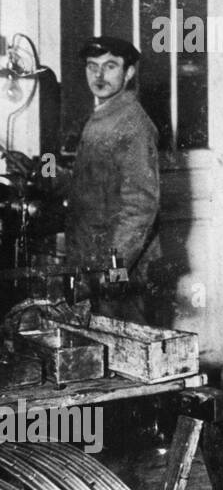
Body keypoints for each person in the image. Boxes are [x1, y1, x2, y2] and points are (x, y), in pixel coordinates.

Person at [64, 37, 161, 319]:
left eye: (110, 66)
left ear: (129, 72)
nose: (99, 75)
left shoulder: (132, 124)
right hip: (93, 258)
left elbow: (140, 206)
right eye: (92, 66)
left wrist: (113, 270)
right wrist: (49, 174)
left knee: (123, 342)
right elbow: (94, 183)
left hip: (119, 265)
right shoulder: (104, 116)